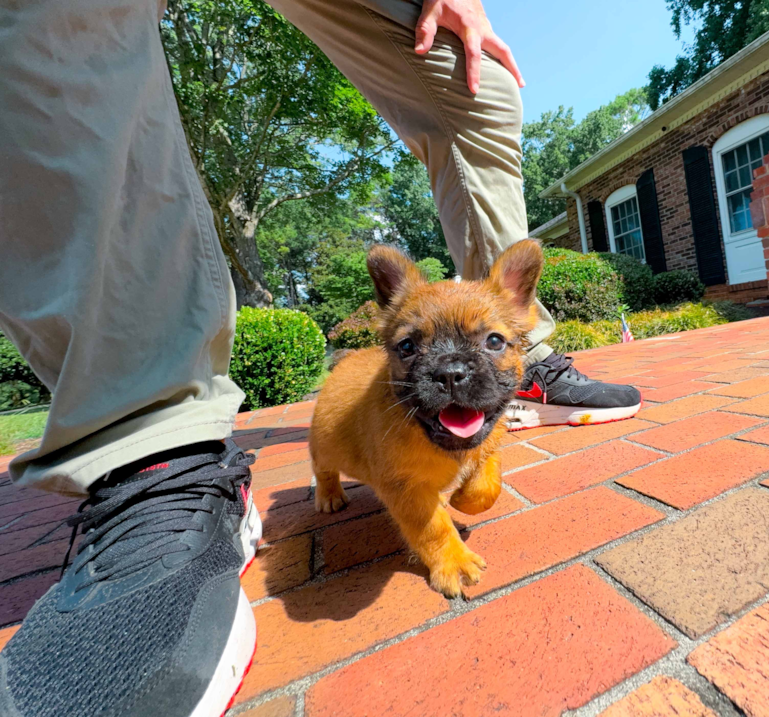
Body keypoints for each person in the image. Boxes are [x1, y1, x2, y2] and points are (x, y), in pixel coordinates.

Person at [0, 0, 641, 714]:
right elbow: (394, 476)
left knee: (479, 78)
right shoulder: (369, 398)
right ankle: (151, 443)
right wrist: (418, 531)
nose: (456, 368)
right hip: (357, 446)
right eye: (413, 346)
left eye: (492, 342)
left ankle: (534, 370)